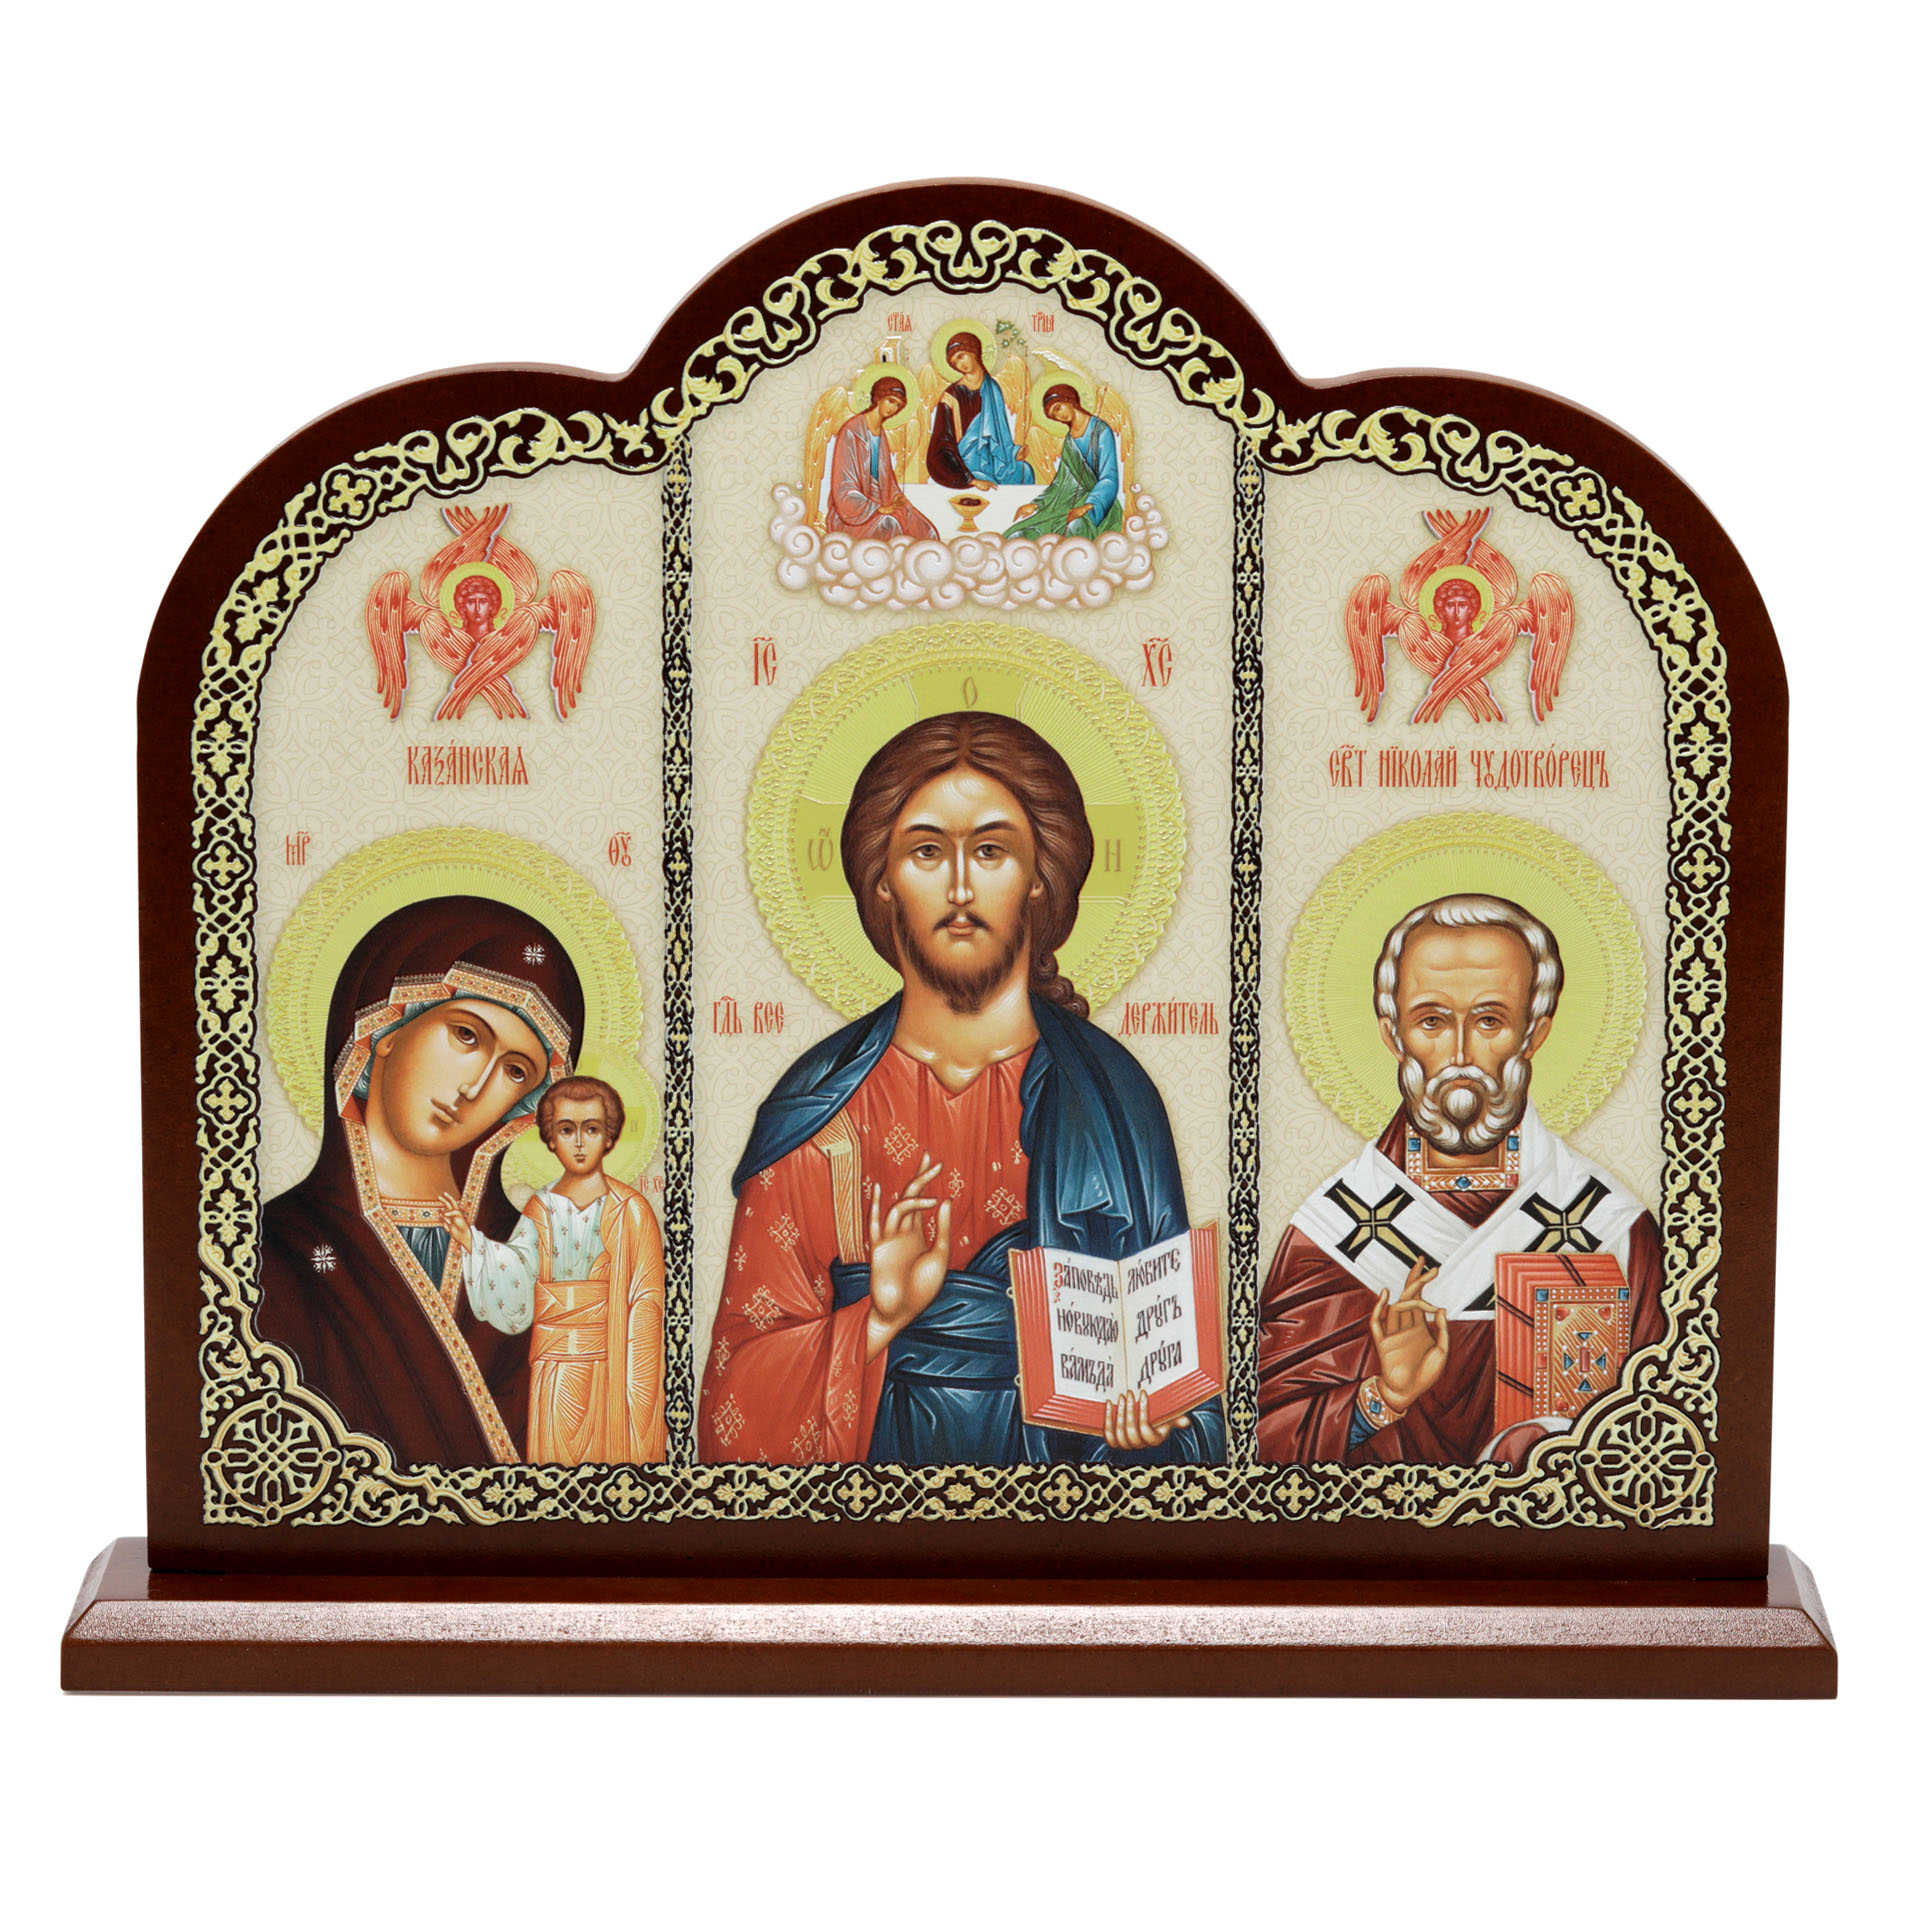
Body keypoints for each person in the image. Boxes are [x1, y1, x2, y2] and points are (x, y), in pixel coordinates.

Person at [699, 711, 1225, 1467]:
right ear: (883, 880)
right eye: (926, 851)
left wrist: (1152, 1426)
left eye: (990, 850)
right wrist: (878, 1322)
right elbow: (735, 1400)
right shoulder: (820, 1110)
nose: (959, 885)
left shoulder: (1115, 1097)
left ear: (1039, 876)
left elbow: (1184, 1389)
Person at [1256, 894, 1663, 1466]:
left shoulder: (1608, 1227)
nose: (1462, 1054)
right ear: (1393, 1035)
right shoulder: (1333, 1230)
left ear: (1535, 1033)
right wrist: (1383, 1398)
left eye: (1490, 1020)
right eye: (1432, 1021)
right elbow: (1265, 1442)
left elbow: (1656, 1436)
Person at [257, 897, 582, 1466]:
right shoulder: (277, 1250)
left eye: (515, 1070)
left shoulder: (531, 1255)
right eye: (466, 1035)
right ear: (387, 1027)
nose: (475, 1087)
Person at [443, 1075, 667, 1465]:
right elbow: (517, 1273)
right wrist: (472, 1243)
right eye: (566, 1130)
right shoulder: (541, 1208)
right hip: (555, 1366)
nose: (579, 1142)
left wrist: (635, 1377)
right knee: (555, 1468)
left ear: (610, 1137)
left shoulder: (632, 1210)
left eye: (591, 1129)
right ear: (550, 1138)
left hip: (613, 1365)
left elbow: (648, 1299)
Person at [824, 374, 938, 542]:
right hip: (853, 512)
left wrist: (897, 497)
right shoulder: (852, 431)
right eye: (891, 401)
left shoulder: (881, 434)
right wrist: (877, 508)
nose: (893, 408)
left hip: (882, 500)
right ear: (879, 397)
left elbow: (887, 480)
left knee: (926, 530)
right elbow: (844, 486)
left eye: (898, 405)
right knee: (890, 525)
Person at [1008, 384, 1123, 539]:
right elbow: (1062, 481)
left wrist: (1088, 506)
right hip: (1071, 502)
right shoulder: (1070, 440)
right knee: (1023, 533)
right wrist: (1038, 504)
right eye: (1053, 416)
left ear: (1069, 400)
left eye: (1058, 408)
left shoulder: (1100, 431)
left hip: (1099, 504)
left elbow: (1109, 478)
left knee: (1076, 527)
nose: (1058, 416)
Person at [925, 332, 1033, 490]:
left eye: (961, 356)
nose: (960, 364)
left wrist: (1014, 452)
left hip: (995, 459)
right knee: (984, 479)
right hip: (966, 462)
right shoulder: (950, 396)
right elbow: (942, 444)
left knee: (1025, 472)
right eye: (954, 363)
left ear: (974, 351)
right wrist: (969, 479)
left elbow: (1001, 433)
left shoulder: (993, 388)